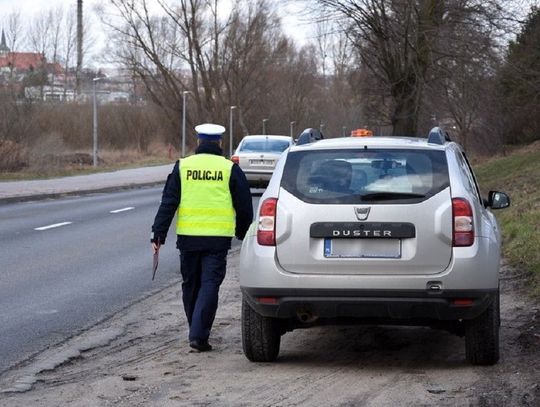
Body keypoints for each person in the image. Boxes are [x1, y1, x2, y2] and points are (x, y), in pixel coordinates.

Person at [151, 123, 253, 352]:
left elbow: (168, 202)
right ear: (219, 143)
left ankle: (195, 329)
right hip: (217, 240)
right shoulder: (228, 168)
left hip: (188, 238)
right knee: (209, 284)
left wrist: (158, 234)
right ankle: (198, 334)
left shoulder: (183, 166)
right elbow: (245, 205)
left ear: (198, 142)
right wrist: (242, 231)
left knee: (190, 285)